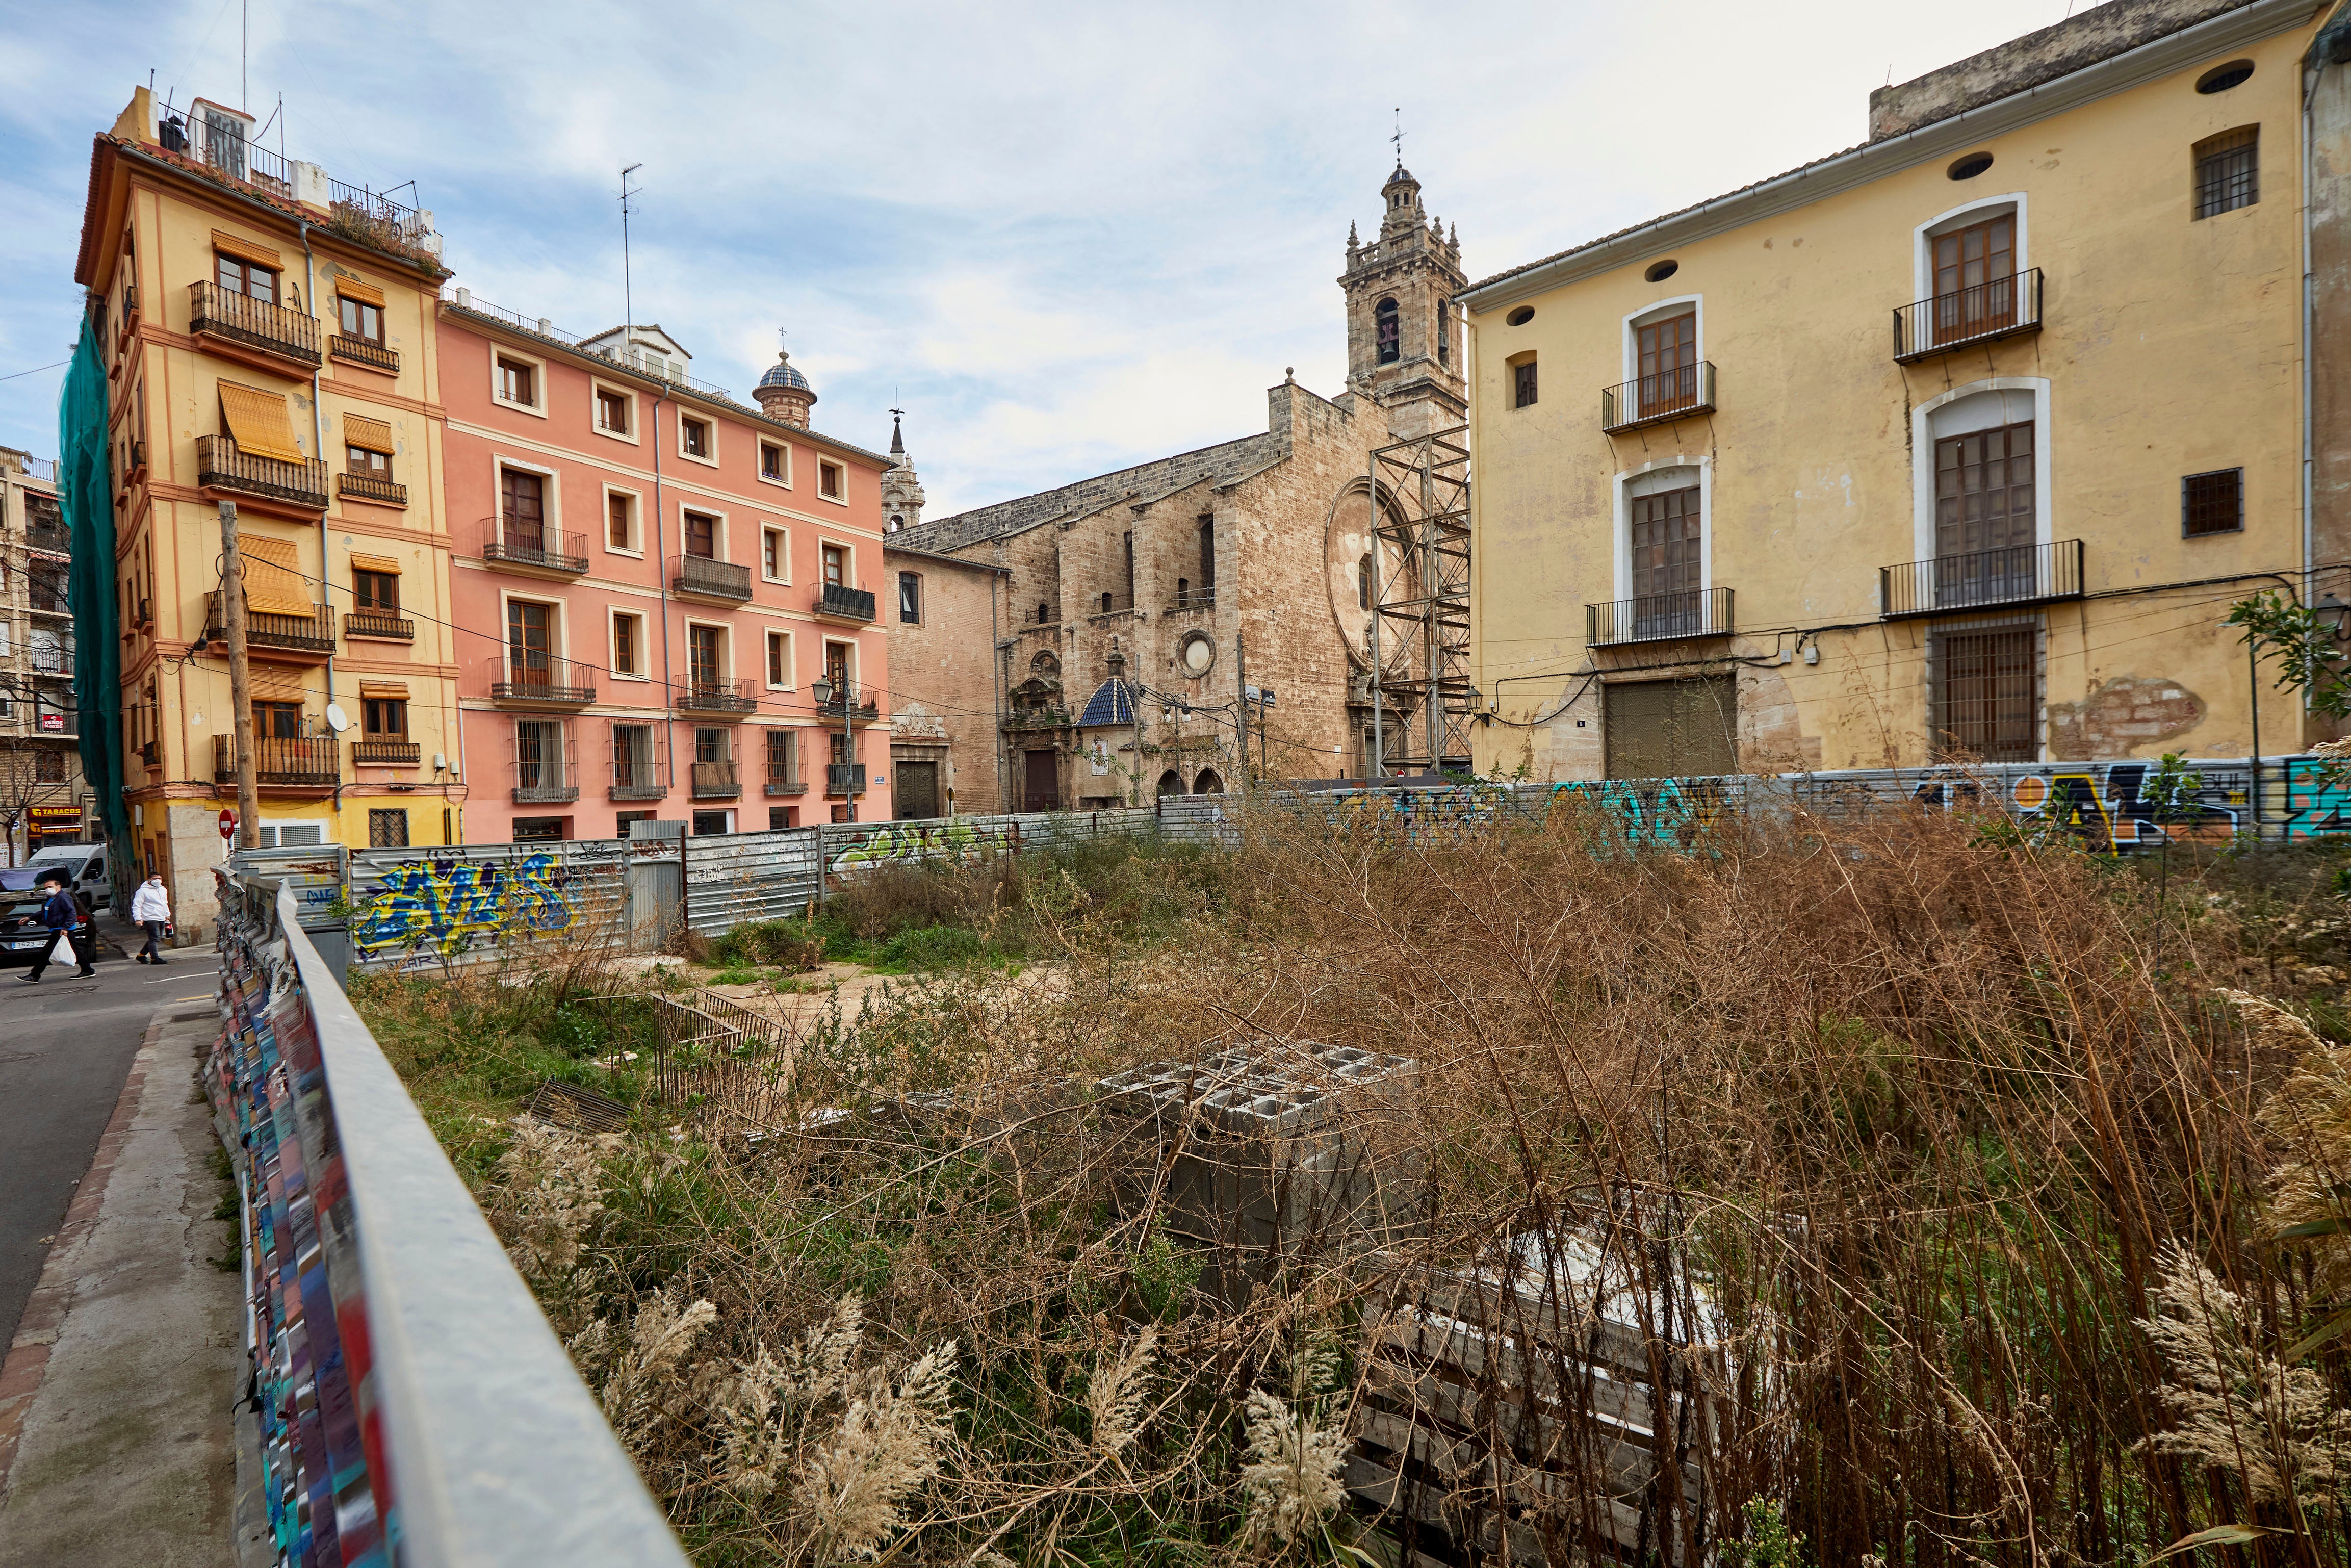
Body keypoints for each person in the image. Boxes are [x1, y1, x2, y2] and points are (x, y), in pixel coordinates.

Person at [22, 870, 96, 982]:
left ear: (59, 887)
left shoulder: (63, 898)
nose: (48, 889)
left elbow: (71, 913)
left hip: (61, 929)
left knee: (46, 952)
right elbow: (45, 912)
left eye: (50, 887)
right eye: (46, 887)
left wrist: (66, 928)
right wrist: (30, 918)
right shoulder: (52, 899)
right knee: (76, 950)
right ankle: (88, 970)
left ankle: (35, 975)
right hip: (58, 928)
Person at [130, 871, 170, 965]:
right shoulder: (142, 891)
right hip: (149, 918)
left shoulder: (163, 890)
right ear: (149, 880)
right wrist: (138, 918)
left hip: (161, 917)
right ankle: (155, 959)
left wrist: (167, 914)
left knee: (156, 938)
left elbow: (164, 903)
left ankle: (141, 955)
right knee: (154, 938)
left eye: (160, 878)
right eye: (155, 879)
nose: (158, 881)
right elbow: (137, 905)